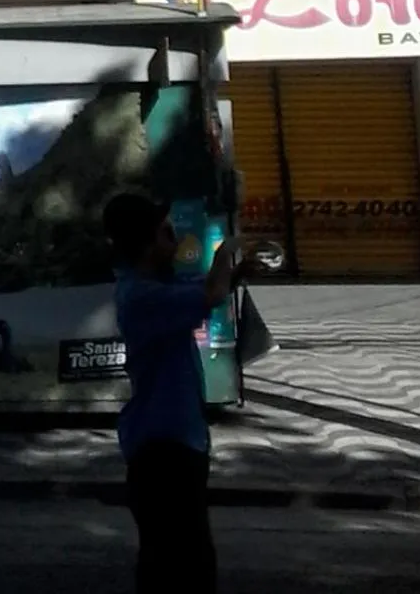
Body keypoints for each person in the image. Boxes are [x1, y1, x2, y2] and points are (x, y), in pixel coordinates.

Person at [102, 192, 241, 594]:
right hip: (163, 451)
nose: (176, 239)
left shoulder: (154, 285)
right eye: (166, 233)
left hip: (175, 443)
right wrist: (225, 251)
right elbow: (211, 292)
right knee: (181, 566)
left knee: (181, 562)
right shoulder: (143, 296)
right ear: (146, 244)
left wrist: (237, 271)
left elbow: (204, 286)